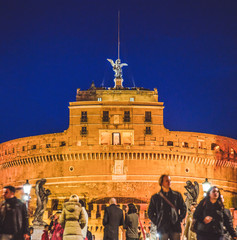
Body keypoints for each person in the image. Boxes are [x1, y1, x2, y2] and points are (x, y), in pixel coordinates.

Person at [148, 174, 187, 240]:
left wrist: (179, 219)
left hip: (175, 227)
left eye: (170, 181)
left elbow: (184, 208)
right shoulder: (155, 197)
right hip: (162, 228)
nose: (169, 182)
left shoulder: (177, 195)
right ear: (161, 183)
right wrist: (157, 221)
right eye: (167, 181)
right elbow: (150, 212)